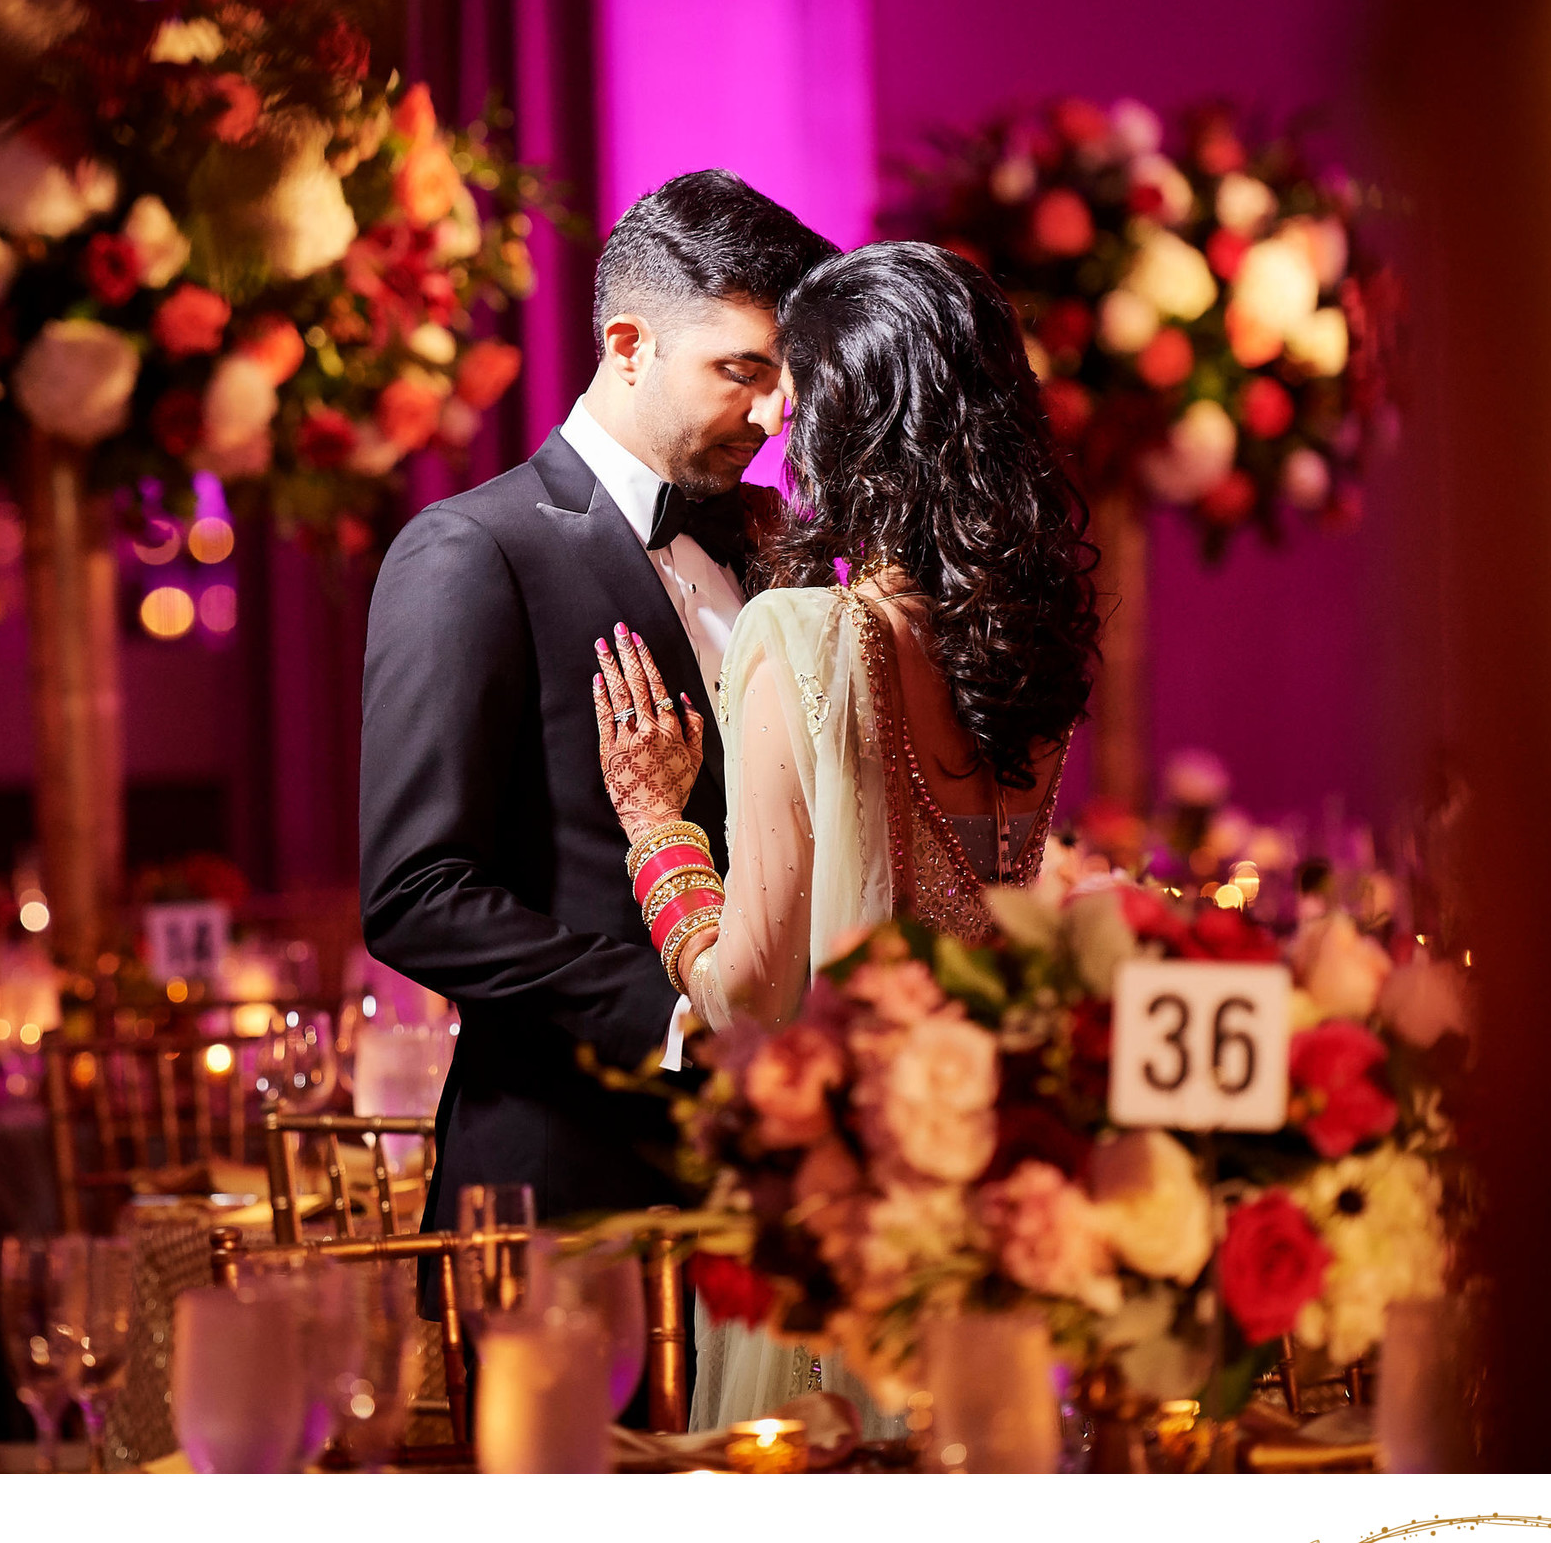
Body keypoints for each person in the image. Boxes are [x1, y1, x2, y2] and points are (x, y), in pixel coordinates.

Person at [590, 241, 1099, 1426]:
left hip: (854, 1221)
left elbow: (753, 990)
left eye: (799, 389)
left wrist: (658, 834)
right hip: (996, 1193)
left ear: (856, 416)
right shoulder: (1031, 656)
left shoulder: (806, 637)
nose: (777, 416)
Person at [359, 171, 836, 1397]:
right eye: (741, 369)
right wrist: (676, 1017)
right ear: (627, 344)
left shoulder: (767, 538)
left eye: (784, 377)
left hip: (774, 1194)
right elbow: (415, 889)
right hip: (569, 1184)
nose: (772, 410)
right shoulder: (470, 550)